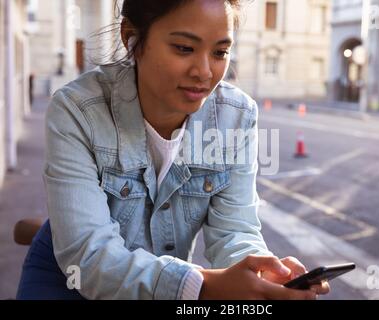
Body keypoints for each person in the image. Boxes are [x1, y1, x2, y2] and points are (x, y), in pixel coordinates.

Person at [17, 0, 330, 300]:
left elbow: (235, 230)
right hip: (69, 280)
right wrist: (204, 286)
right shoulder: (77, 110)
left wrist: (262, 272)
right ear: (131, 37)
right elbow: (88, 256)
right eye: (184, 48)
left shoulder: (236, 116)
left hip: (166, 286)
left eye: (220, 52)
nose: (205, 72)